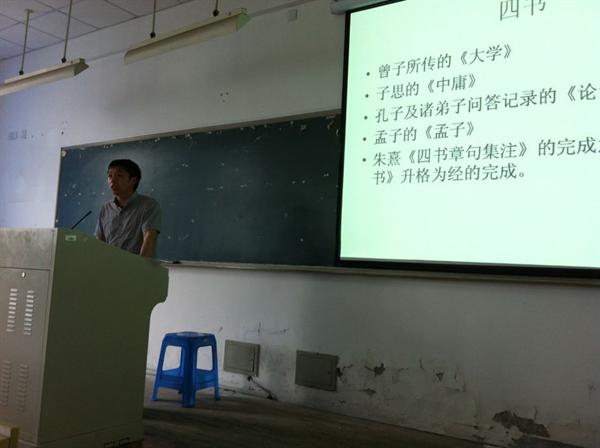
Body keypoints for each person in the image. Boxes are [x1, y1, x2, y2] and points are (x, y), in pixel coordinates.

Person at [95, 159, 161, 257]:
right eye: (110, 176)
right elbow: (99, 242)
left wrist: (141, 266)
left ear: (133, 180)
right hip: (108, 264)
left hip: (134, 265)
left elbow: (149, 239)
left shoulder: (148, 205)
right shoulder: (106, 208)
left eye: (119, 175)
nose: (112, 180)